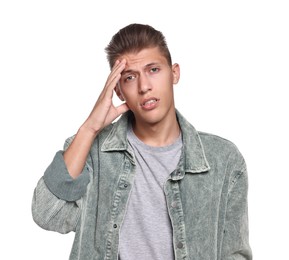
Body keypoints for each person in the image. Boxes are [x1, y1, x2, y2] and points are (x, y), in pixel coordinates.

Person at [32, 23, 252, 260]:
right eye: (129, 77)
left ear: (174, 73)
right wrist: (90, 127)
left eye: (154, 70)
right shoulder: (92, 152)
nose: (144, 86)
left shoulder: (223, 159)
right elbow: (47, 214)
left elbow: (235, 253)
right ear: (118, 91)